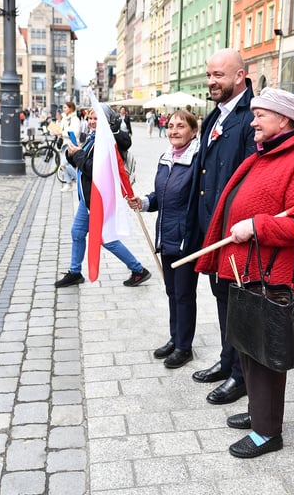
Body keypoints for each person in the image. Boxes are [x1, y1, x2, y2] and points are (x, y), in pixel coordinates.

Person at [195, 87, 294, 458]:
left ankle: (267, 433)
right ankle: (259, 413)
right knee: (247, 350)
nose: (252, 122)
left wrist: (257, 226)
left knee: (266, 358)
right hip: (245, 271)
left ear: (284, 120)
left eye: (260, 115)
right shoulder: (264, 156)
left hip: (271, 276)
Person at [188, 48, 256, 406]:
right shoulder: (215, 115)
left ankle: (241, 376)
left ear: (239, 77)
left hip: (235, 232)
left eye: (219, 76)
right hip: (212, 230)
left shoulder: (251, 117)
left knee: (238, 303)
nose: (211, 81)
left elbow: (250, 179)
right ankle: (228, 360)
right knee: (222, 298)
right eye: (209, 75)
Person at [127, 110, 201, 369]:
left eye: (181, 126)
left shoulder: (197, 160)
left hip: (186, 239)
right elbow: (162, 196)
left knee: (183, 294)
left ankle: (184, 347)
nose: (174, 131)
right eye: (171, 126)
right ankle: (175, 337)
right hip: (165, 234)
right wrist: (144, 202)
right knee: (172, 292)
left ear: (194, 131)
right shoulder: (166, 157)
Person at [55, 104, 151, 289]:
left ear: (107, 121)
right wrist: (71, 153)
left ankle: (138, 270)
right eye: (90, 118)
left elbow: (94, 170)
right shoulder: (94, 138)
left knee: (105, 238)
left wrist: (79, 154)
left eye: (96, 118)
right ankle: (75, 272)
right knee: (77, 233)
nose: (91, 121)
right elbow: (80, 161)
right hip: (88, 199)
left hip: (99, 199)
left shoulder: (108, 142)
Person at [59, 101, 82, 192]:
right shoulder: (65, 119)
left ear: (71, 108)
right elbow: (62, 129)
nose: (63, 109)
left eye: (65, 107)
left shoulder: (75, 119)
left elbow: (75, 133)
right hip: (65, 144)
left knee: (64, 164)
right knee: (64, 165)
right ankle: (69, 184)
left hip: (72, 145)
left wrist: (62, 133)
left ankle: (79, 180)